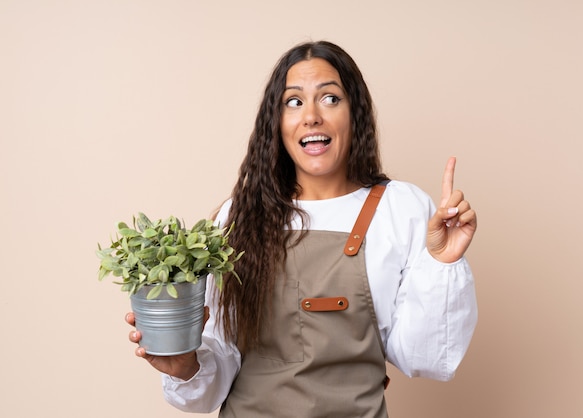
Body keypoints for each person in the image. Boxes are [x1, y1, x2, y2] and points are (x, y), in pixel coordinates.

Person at [126, 40, 478, 417]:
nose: (311, 116)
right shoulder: (237, 218)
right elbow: (216, 373)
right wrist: (184, 366)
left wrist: (442, 262)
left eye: (329, 98)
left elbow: (423, 358)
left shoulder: (401, 209)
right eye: (293, 102)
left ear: (354, 113)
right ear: (276, 124)